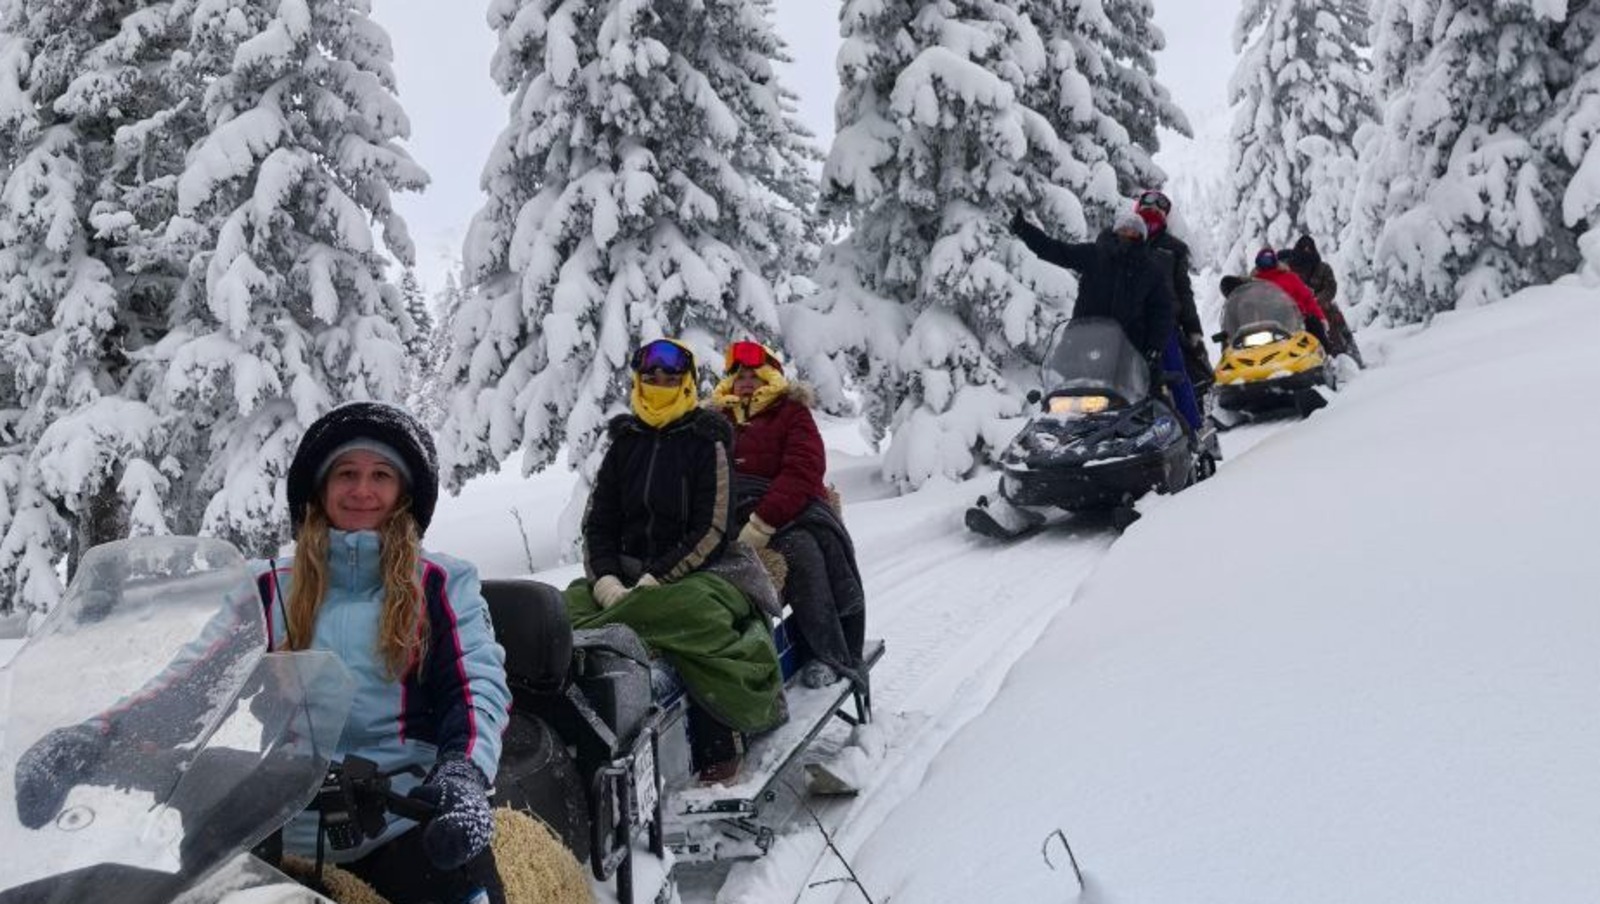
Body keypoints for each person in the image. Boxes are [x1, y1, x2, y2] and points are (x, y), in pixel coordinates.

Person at [13, 402, 515, 903]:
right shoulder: (269, 586)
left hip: (406, 815)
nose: (363, 490)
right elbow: (191, 685)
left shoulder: (441, 583)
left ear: (404, 492)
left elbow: (475, 691)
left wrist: (461, 774)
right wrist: (92, 738)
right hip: (284, 814)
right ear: (319, 487)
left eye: (381, 475)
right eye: (346, 473)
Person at [565, 338, 785, 783]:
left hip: (704, 572)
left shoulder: (707, 442)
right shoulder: (625, 444)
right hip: (625, 576)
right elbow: (598, 524)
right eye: (652, 378)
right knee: (558, 611)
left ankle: (721, 730)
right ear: (638, 382)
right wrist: (606, 579)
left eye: (670, 378)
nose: (660, 385)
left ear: (686, 382)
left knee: (690, 613)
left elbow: (712, 528)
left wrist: (656, 579)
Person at [710, 340, 866, 692]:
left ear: (770, 377)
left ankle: (829, 653)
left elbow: (803, 468)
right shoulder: (717, 419)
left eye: (754, 374)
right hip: (729, 511)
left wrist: (763, 522)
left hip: (785, 509)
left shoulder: (791, 412)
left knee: (806, 551)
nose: (746, 381)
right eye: (739, 375)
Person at [1011, 208, 1177, 379]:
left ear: (1141, 237)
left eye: (1133, 231)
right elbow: (1057, 250)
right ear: (1115, 231)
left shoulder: (1150, 270)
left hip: (1127, 350)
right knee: (1059, 393)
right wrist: (1024, 230)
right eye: (1123, 229)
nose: (1127, 233)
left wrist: (1154, 348)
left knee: (1146, 395)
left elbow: (1162, 311)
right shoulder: (1094, 254)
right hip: (1082, 341)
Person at [1133, 189, 1207, 430]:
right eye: (1148, 206)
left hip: (1164, 324)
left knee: (1176, 374)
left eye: (1159, 208)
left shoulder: (1174, 248)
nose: (1153, 211)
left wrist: (1193, 328)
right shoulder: (1126, 240)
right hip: (1128, 324)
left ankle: (1194, 429)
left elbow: (1183, 291)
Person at [1286, 235, 1364, 365]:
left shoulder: (1323, 268)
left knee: (1336, 318)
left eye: (1309, 249)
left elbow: (1331, 288)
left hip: (1321, 305)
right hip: (1298, 308)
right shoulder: (1290, 270)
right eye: (1303, 249)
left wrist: (1317, 300)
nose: (1307, 252)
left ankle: (1349, 355)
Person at [1250, 247, 1332, 350]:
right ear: (1258, 262)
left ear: (1275, 261)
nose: (1267, 263)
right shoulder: (1254, 284)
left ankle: (1326, 355)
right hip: (1265, 324)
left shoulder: (1289, 278)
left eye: (1270, 259)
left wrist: (1320, 317)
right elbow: (1248, 305)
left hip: (1295, 320)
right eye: (1264, 260)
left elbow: (1307, 299)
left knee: (1313, 323)